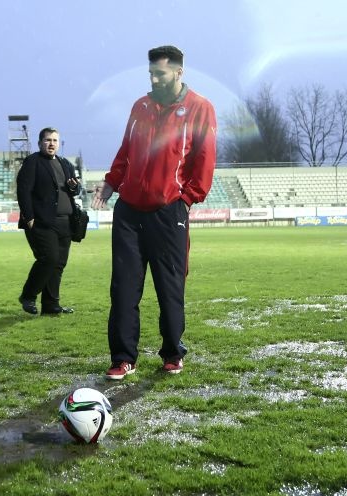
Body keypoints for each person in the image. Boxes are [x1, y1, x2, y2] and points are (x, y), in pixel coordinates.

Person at [91, 45, 216, 380]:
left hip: (168, 212)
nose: (154, 79)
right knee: (124, 289)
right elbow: (126, 151)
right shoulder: (140, 106)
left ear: (178, 72)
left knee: (169, 287)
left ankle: (173, 353)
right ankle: (123, 358)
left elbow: (204, 159)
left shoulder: (200, 108)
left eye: (160, 73)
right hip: (129, 213)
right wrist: (109, 184)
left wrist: (186, 200)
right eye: (151, 73)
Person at [16, 127, 80, 315]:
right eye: (47, 140)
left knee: (58, 264)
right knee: (49, 258)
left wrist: (75, 188)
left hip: (65, 222)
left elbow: (74, 190)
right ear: (40, 143)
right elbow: (23, 190)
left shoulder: (66, 164)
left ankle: (51, 306)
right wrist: (29, 217)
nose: (51, 143)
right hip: (42, 222)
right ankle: (28, 295)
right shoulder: (33, 162)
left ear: (59, 143)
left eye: (55, 140)